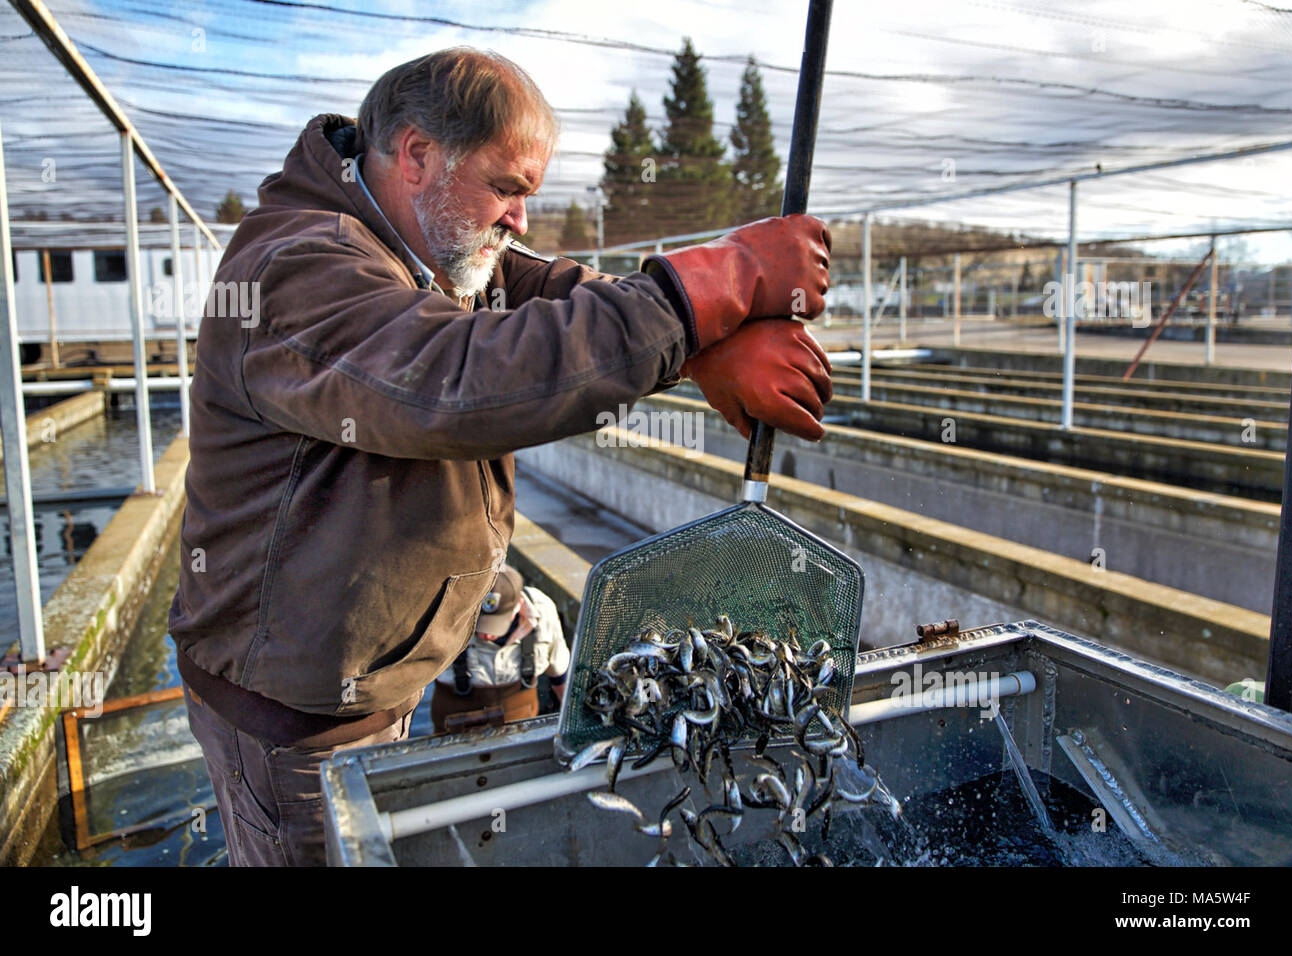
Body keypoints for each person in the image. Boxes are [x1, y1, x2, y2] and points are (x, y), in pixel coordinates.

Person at [169, 46, 833, 866]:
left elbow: (545, 291)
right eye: (507, 186)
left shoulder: (433, 253)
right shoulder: (297, 266)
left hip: (388, 683)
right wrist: (712, 287)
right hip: (296, 727)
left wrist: (696, 349)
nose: (519, 217)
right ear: (417, 156)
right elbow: (452, 385)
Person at [430, 564, 568, 733]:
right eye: (481, 624)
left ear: (519, 604)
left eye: (496, 626)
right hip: (453, 730)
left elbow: (559, 672)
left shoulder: (542, 610)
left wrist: (567, 713)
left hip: (521, 730)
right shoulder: (441, 615)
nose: (487, 636)